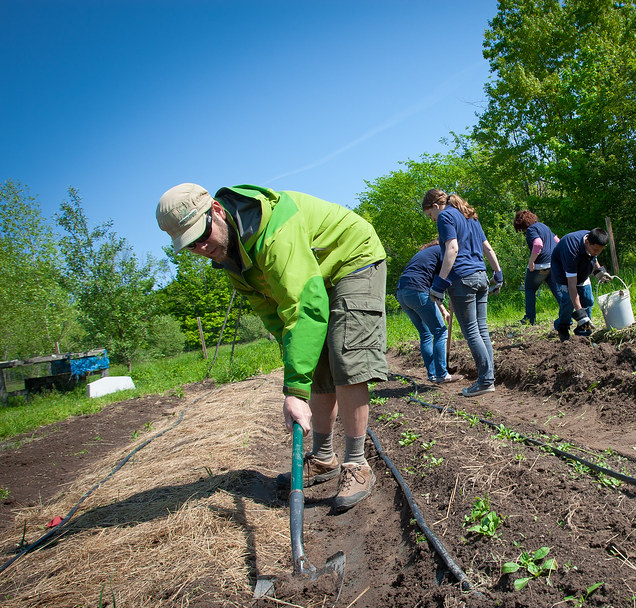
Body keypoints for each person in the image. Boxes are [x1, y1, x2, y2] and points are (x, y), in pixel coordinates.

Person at [156, 183, 386, 510]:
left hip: (352, 258)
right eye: (190, 244)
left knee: (345, 355)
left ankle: (356, 463)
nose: (201, 247)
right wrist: (298, 368)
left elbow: (304, 304)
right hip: (314, 277)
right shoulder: (232, 261)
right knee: (316, 364)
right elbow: (275, 316)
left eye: (202, 234)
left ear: (217, 211)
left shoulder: (275, 232)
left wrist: (293, 391)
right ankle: (323, 459)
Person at [421, 189, 503, 397]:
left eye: (430, 215)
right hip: (481, 277)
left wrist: (438, 285)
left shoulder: (446, 216)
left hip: (462, 280)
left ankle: (485, 381)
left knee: (472, 332)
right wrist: (498, 273)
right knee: (482, 330)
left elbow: (452, 249)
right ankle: (488, 378)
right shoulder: (470, 217)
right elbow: (488, 248)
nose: (432, 219)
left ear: (435, 206)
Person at [396, 240, 462, 384]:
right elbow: (444, 278)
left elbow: (432, 287)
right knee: (440, 332)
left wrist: (442, 308)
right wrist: (453, 297)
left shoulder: (424, 256)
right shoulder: (443, 251)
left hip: (402, 293)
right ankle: (442, 374)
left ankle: (432, 374)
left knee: (425, 334)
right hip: (418, 291)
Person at [550, 228, 612, 342]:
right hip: (563, 275)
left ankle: (583, 333)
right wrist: (580, 314)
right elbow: (572, 285)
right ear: (587, 242)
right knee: (568, 302)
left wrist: (599, 272)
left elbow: (594, 257)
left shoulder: (593, 239)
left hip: (582, 270)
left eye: (600, 250)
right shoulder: (571, 249)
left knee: (588, 300)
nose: (597, 252)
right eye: (595, 250)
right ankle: (562, 326)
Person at [512, 210, 561, 325]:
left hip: (540, 265)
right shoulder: (544, 226)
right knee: (557, 290)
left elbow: (538, 244)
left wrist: (531, 262)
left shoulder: (531, 229)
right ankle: (567, 313)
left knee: (529, 289)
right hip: (552, 264)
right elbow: (557, 241)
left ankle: (529, 319)